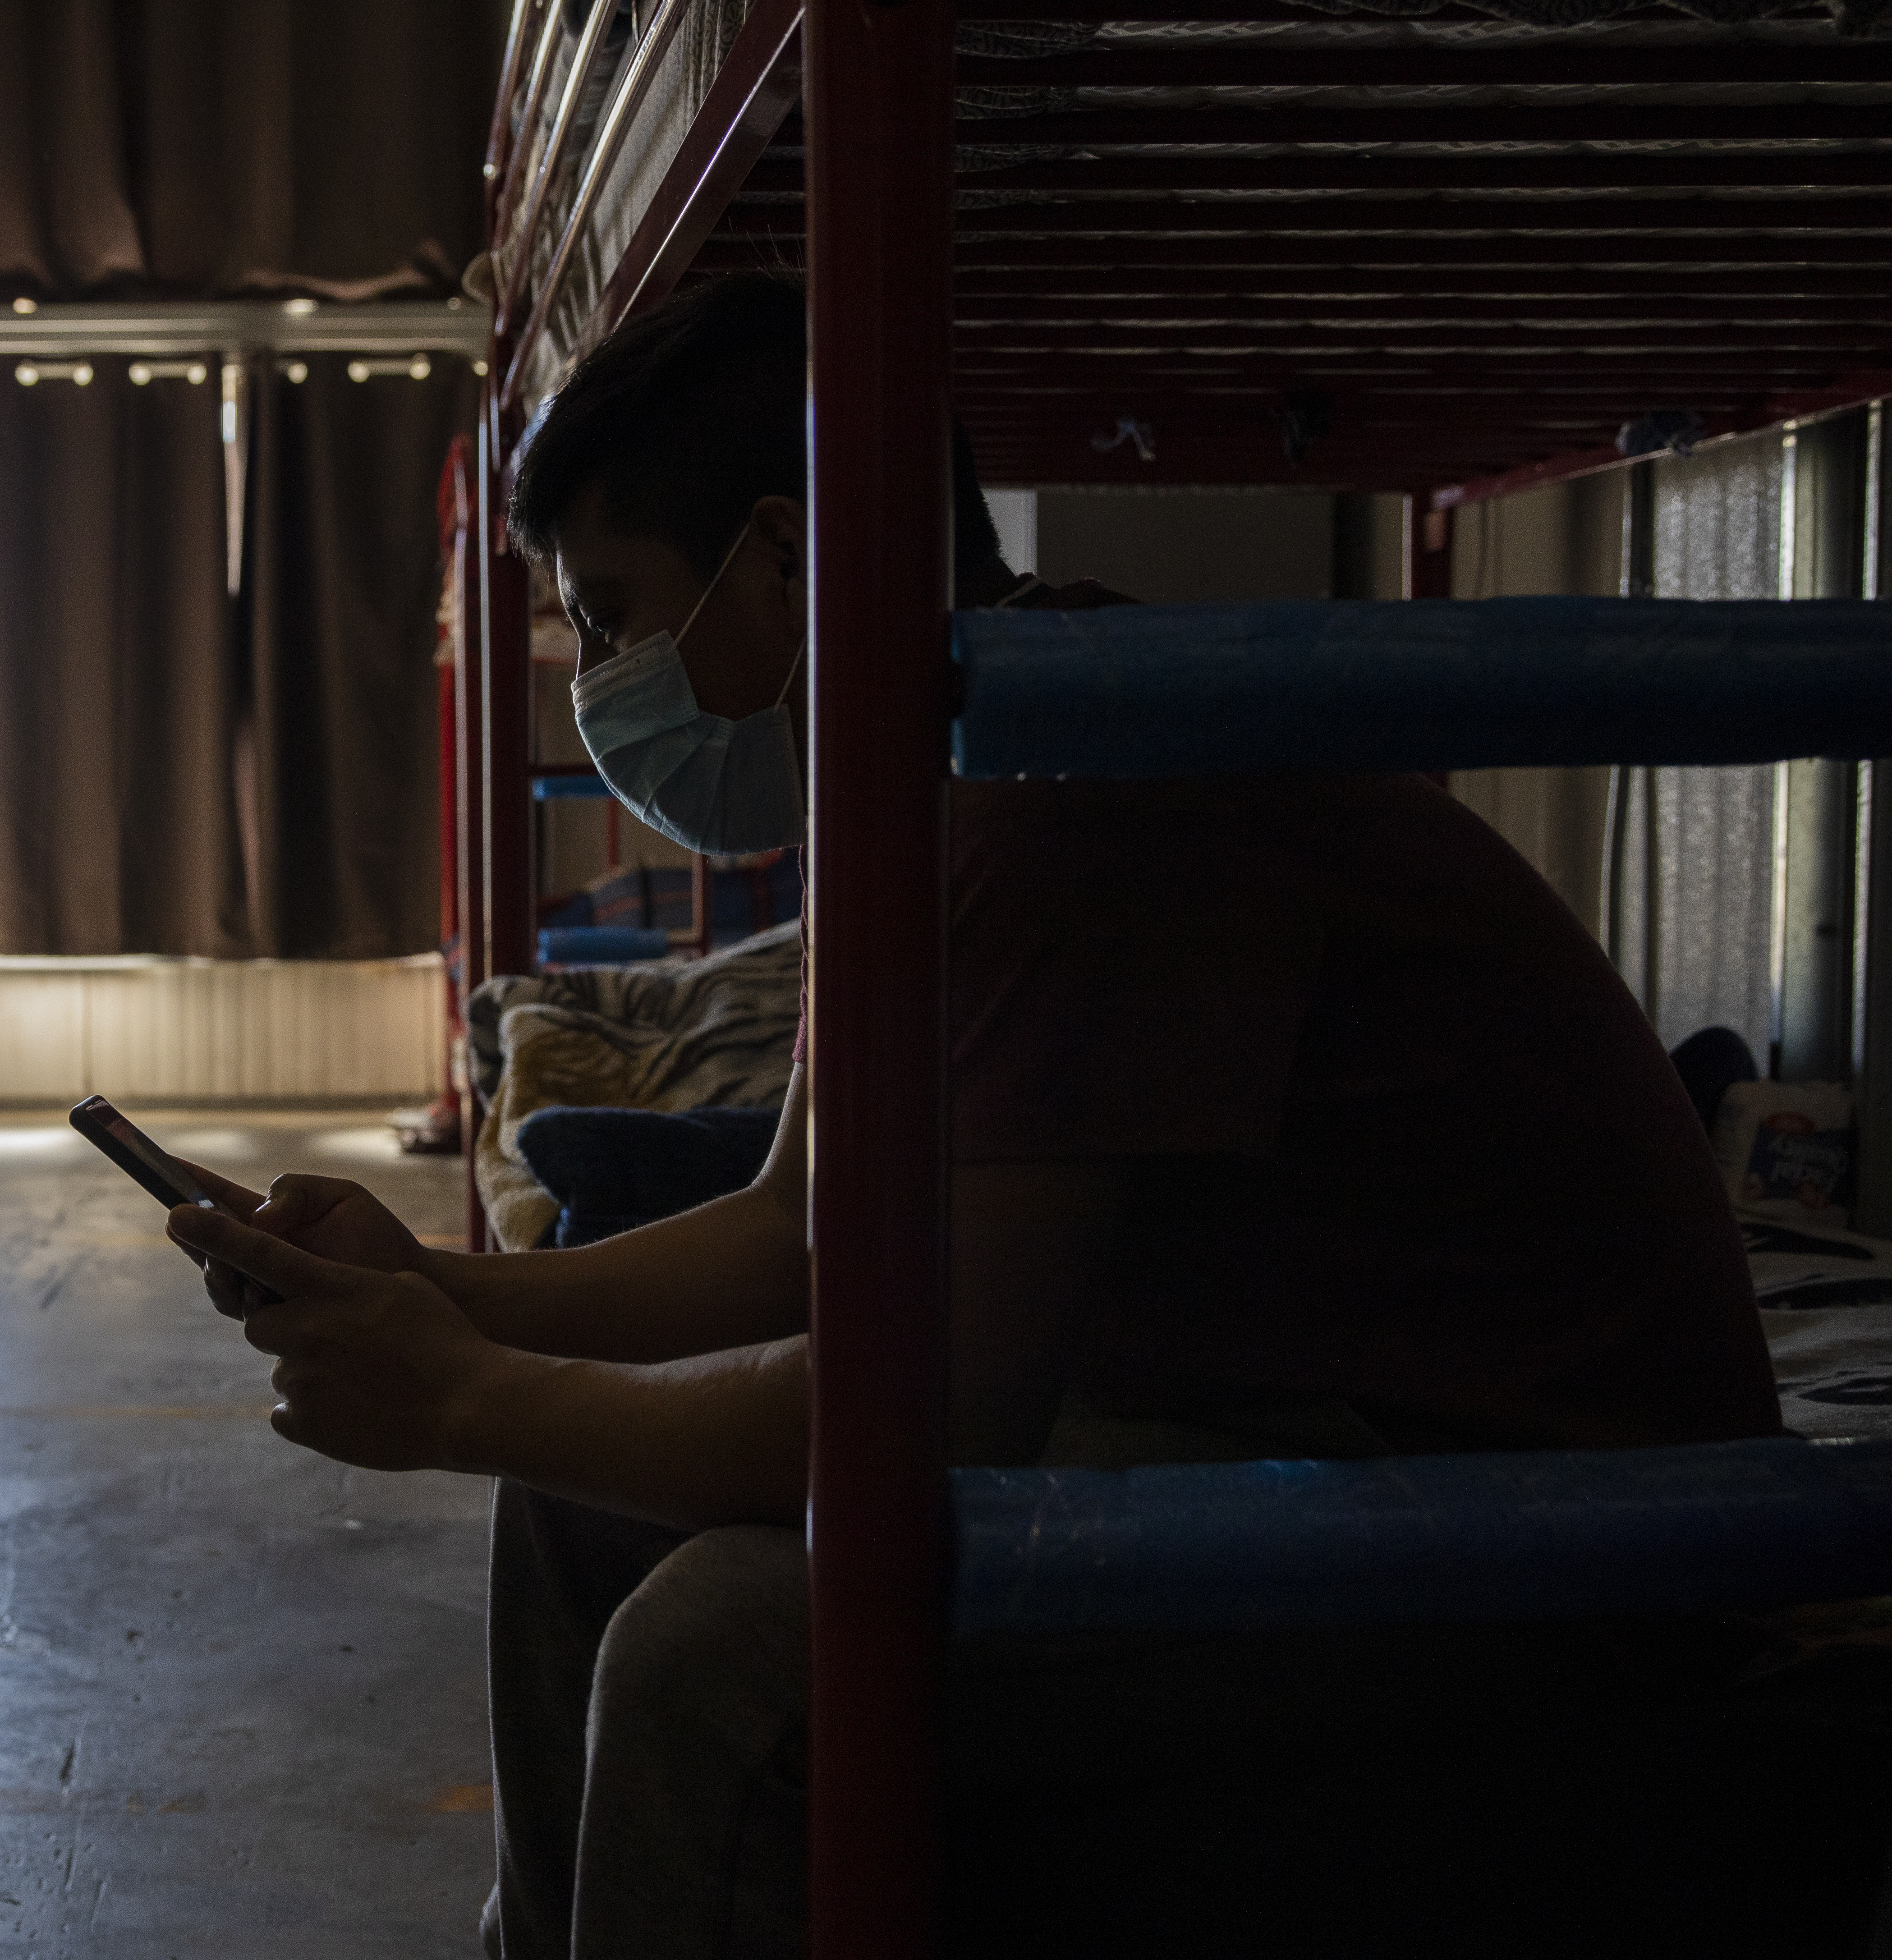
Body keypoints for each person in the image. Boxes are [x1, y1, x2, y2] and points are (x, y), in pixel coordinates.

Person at [150, 274, 1779, 1956]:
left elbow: (928, 1414)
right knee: (576, 1501)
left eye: (616, 618)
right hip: (1310, 1440)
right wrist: (436, 1289)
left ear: (780, 557)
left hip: (1538, 1550)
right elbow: (799, 1230)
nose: (602, 683)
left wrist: (465, 1395)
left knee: (720, 1649)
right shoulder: (925, 774)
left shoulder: (1067, 790)